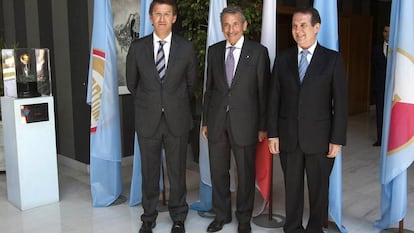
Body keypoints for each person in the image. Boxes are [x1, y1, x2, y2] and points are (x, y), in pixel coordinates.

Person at [267, 7, 347, 233]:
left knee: (319, 189)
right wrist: (273, 133)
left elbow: (340, 103)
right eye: (294, 26)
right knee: (292, 188)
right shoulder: (283, 59)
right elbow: (274, 99)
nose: (298, 30)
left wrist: (337, 139)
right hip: (289, 137)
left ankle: (314, 229)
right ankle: (292, 228)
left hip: (320, 139)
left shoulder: (332, 59)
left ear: (316, 27)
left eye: (303, 25)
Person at [126, 0, 197, 232]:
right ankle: (148, 217)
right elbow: (132, 84)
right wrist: (154, 103)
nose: (163, 19)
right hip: (148, 120)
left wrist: (171, 103)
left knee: (177, 172)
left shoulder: (186, 48)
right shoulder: (137, 48)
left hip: (177, 119)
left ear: (174, 18)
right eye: (158, 14)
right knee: (149, 172)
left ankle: (178, 217)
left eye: (167, 14)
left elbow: (190, 85)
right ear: (150, 17)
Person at [201, 6, 270, 233]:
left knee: (245, 174)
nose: (230, 29)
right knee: (219, 172)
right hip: (217, 122)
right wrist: (205, 121)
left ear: (244, 25)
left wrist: (262, 126)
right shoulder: (214, 51)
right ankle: (222, 215)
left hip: (247, 124)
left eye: (235, 24)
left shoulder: (258, 52)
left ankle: (243, 219)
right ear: (222, 28)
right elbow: (209, 90)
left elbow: (263, 92)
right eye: (226, 25)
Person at [371, 25, 390, 147]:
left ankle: (392, 139)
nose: (387, 34)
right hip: (380, 87)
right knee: (380, 113)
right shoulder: (377, 48)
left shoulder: (398, 48)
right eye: (385, 31)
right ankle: (381, 139)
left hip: (394, 88)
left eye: (390, 31)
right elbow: (374, 67)